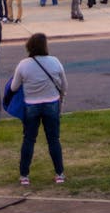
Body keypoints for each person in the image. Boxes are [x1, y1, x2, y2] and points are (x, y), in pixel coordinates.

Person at [10, 32, 68, 186]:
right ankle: (59, 173)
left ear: (30, 46)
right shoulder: (55, 61)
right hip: (51, 104)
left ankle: (24, 175)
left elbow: (14, 87)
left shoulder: (23, 64)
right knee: (53, 140)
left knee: (29, 139)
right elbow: (64, 85)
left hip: (31, 105)